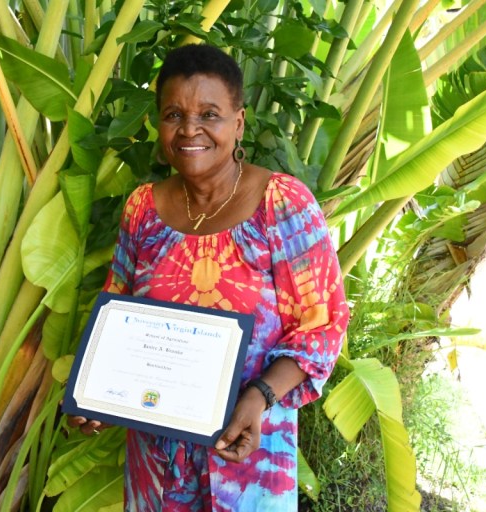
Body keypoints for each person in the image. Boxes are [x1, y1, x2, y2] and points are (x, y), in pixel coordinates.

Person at [69, 43, 350, 511]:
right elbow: (116, 305)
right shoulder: (143, 209)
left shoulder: (282, 204)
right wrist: (96, 397)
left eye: (209, 114)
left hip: (247, 455)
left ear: (238, 123)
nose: (190, 129)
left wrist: (259, 396)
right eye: (173, 114)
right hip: (155, 461)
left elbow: (322, 325)